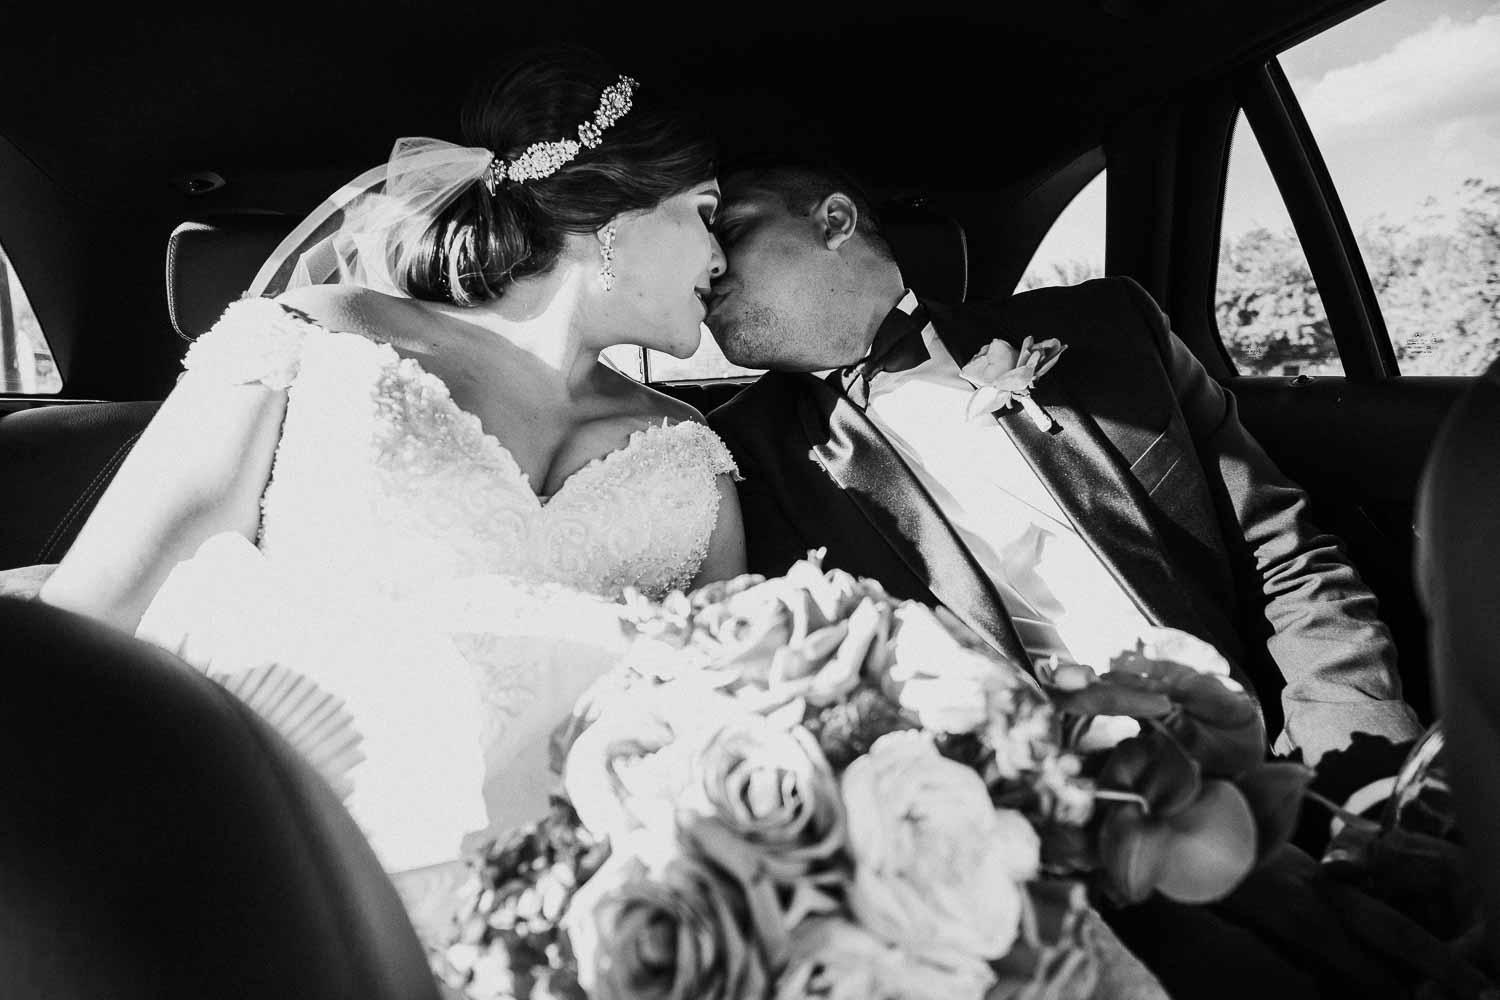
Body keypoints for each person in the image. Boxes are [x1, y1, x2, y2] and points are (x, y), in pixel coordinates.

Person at [38, 47, 745, 878]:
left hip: (584, 896)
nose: (721, 256)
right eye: (704, 212)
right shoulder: (315, 338)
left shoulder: (689, 451)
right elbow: (93, 621)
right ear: (616, 213)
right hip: (297, 859)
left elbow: (733, 703)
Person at [704, 158, 1422, 788]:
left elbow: (1285, 560)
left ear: (834, 221)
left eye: (729, 232)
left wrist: (1358, 766)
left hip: (1273, 761)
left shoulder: (1112, 327)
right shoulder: (737, 458)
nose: (706, 268)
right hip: (1024, 834)